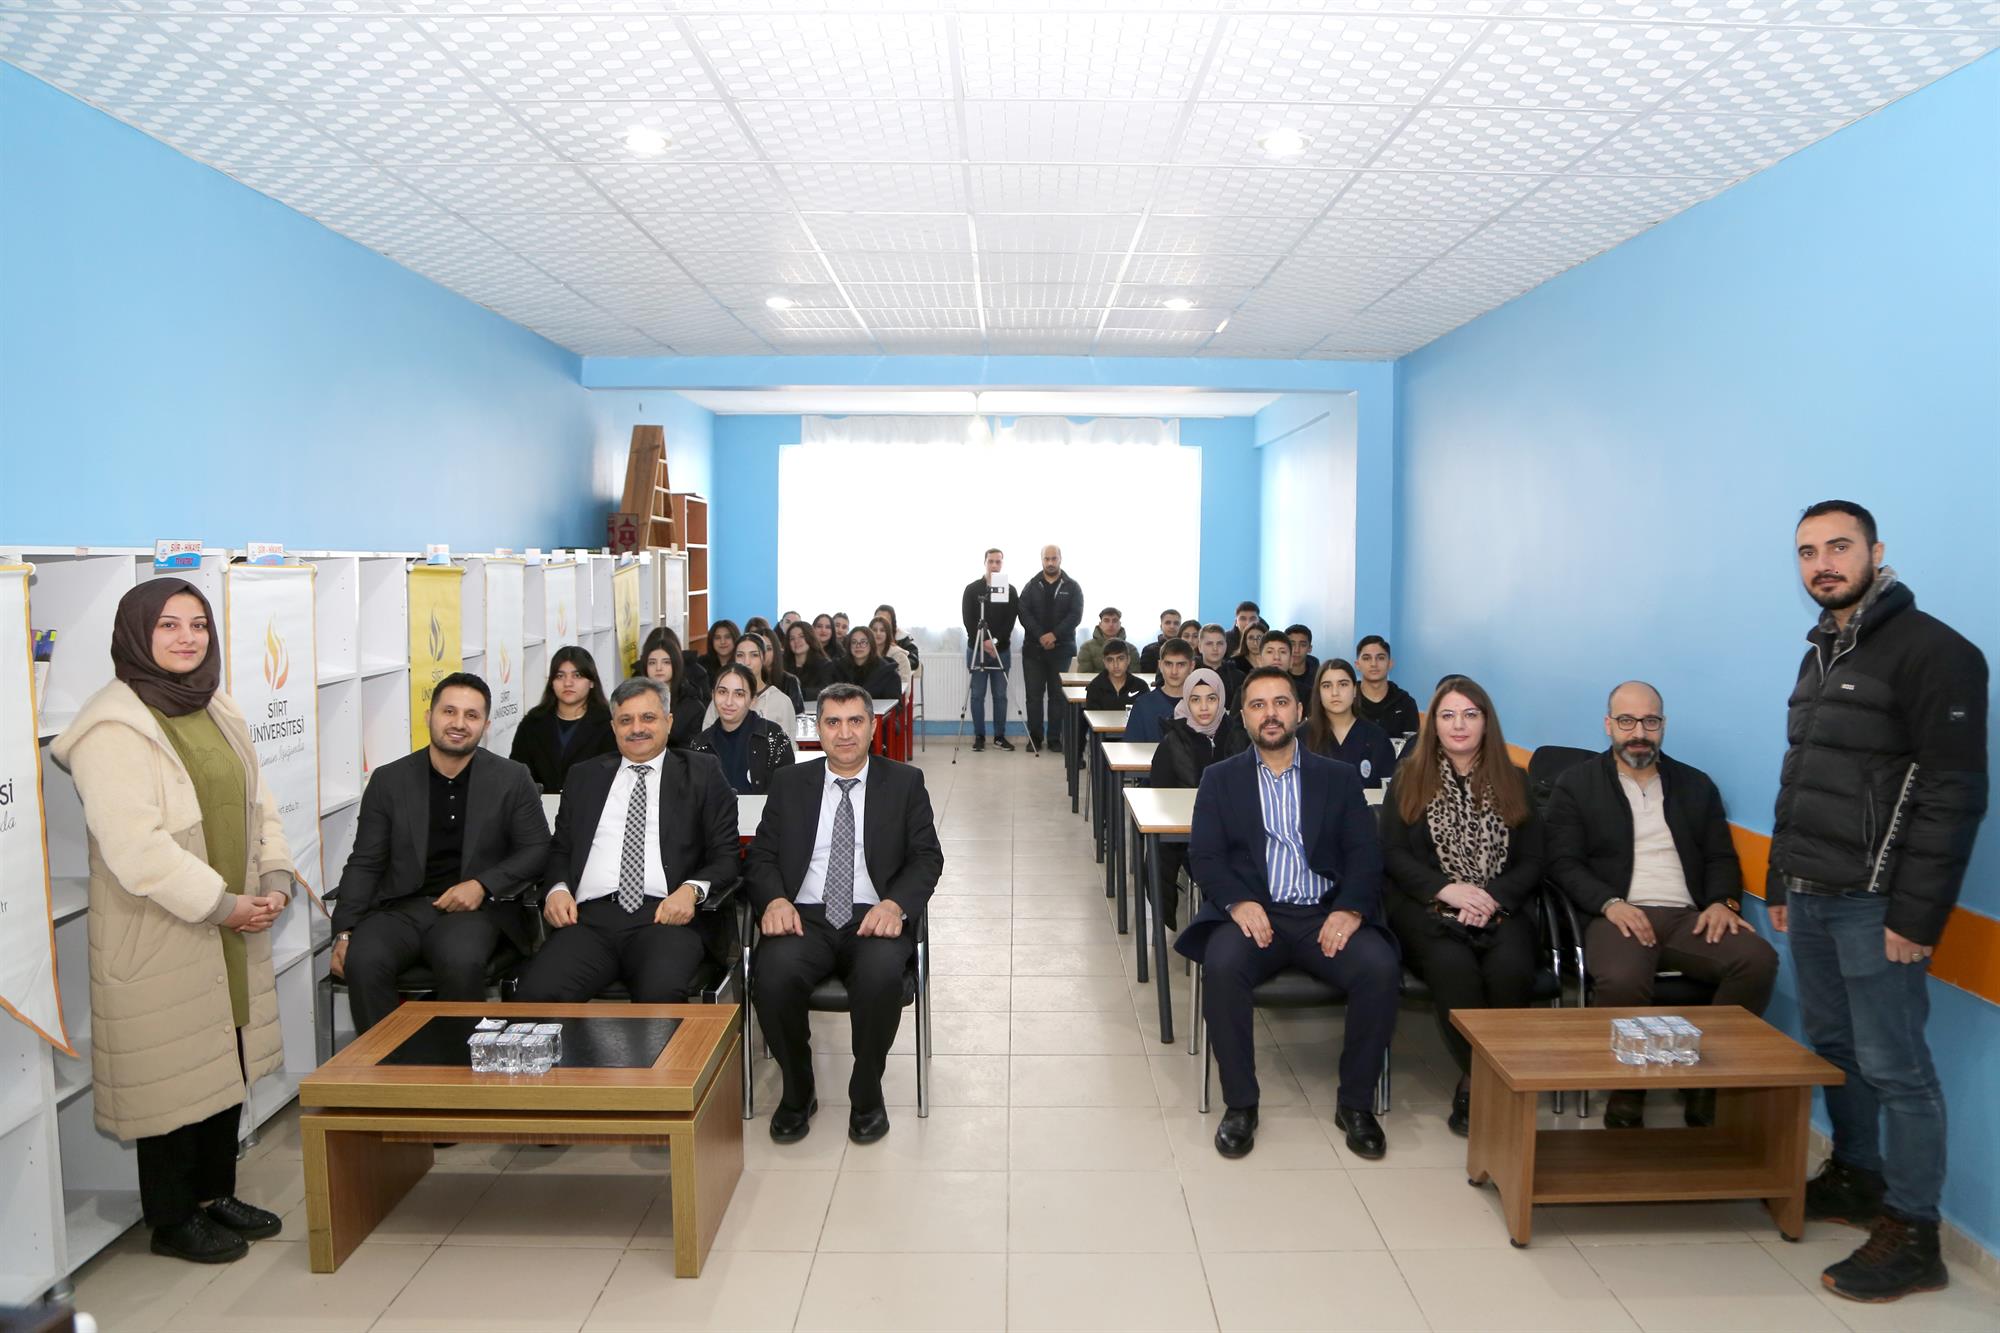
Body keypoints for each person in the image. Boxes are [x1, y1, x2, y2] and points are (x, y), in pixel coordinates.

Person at [1766, 501, 1988, 1303]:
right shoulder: (1821, 651)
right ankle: (1858, 1174)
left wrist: (1915, 916)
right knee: (1836, 1044)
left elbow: (1953, 795)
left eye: (1838, 547)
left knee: (1899, 1067)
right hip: (1811, 893)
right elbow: (1802, 772)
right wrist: (1779, 877)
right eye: (1807, 552)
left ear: (1875, 551)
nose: (1822, 563)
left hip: (1876, 902)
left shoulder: (1936, 653)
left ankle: (1915, 1230)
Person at [50, 579, 298, 1264]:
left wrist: (274, 877)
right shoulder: (112, 726)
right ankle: (171, 1218)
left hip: (233, 918)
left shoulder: (215, 703)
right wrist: (223, 903)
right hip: (163, 927)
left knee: (225, 1059)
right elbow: (136, 847)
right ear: (137, 633)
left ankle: (215, 1193)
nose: (187, 637)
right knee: (169, 1076)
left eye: (198, 624)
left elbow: (260, 803)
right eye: (168, 624)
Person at [1174, 667, 1398, 1161]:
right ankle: (1241, 1105)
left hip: (1324, 913)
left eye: (1280, 703)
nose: (1270, 714)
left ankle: (1355, 1104)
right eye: (1258, 705)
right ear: (1243, 716)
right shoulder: (1220, 779)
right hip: (1257, 913)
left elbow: (1365, 854)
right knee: (1222, 966)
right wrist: (1238, 902)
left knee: (1380, 967)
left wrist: (1350, 909)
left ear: (1299, 711)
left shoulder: (1337, 778)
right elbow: (1205, 856)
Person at [1545, 681, 1778, 1129]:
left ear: (1663, 725)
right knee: (1622, 978)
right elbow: (1562, 862)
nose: (1639, 733)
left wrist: (1723, 904)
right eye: (1627, 721)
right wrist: (1609, 903)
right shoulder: (1577, 784)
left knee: (1757, 960)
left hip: (1689, 917)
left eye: (1650, 722)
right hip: (1617, 914)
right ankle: (1628, 1093)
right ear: (1608, 724)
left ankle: (1706, 1082)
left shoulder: (1695, 785)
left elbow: (1720, 856)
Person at [748, 684, 945, 1145]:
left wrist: (895, 905)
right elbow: (760, 857)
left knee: (880, 977)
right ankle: (798, 1090)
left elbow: (926, 858)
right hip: (804, 915)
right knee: (771, 976)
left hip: (874, 914)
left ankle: (867, 1092)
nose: (844, 733)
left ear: (872, 726)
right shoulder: (790, 783)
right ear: (818, 729)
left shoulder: (904, 783)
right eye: (833, 722)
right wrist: (774, 900)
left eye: (855, 721)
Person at [330, 673, 552, 1032]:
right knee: (363, 959)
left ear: (486, 726)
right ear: (429, 716)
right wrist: (344, 931)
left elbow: (537, 848)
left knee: (460, 960)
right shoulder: (389, 781)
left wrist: (482, 885)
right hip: (400, 908)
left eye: (471, 715)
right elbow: (365, 861)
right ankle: (387, 1061)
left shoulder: (512, 778)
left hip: (475, 912)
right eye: (449, 711)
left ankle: (456, 1062)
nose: (459, 723)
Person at [1380, 676, 1543, 1138]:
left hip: (1499, 905)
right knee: (1455, 968)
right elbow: (1392, 853)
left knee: (1511, 968)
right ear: (1433, 724)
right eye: (1448, 715)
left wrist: (1492, 897)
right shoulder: (1409, 777)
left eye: (1470, 715)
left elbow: (1534, 859)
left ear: (1486, 722)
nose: (1458, 725)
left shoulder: (1515, 781)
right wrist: (1446, 889)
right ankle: (1481, 1078)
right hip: (1428, 908)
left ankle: (1489, 1079)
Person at [514, 678, 741, 1003]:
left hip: (665, 918)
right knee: (536, 994)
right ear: (613, 727)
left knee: (659, 996)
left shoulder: (702, 773)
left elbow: (726, 856)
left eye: (648, 718)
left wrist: (691, 891)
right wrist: (558, 889)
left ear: (668, 721)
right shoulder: (584, 776)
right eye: (625, 720)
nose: (637, 729)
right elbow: (561, 849)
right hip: (589, 920)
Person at [1147, 667, 1246, 929]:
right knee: (1160, 856)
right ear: (1186, 701)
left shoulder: (1239, 736)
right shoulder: (1172, 742)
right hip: (1189, 836)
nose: (1204, 707)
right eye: (1195, 699)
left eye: (1211, 699)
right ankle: (1169, 922)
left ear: (1222, 699)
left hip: (1235, 832)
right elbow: (1159, 798)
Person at [509, 646, 617, 796]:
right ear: (551, 683)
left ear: (592, 682)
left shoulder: (608, 724)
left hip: (591, 803)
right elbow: (517, 775)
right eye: (560, 676)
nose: (568, 683)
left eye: (577, 675)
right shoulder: (532, 723)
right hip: (539, 805)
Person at [690, 664, 797, 795]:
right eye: (722, 692)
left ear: (753, 700)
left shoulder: (773, 736)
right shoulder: (700, 744)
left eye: (739, 694)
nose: (729, 702)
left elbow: (786, 790)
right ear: (713, 695)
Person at [1018, 543, 1083, 757]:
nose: (1050, 562)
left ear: (1060, 559)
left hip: (1061, 650)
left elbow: (1075, 616)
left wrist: (1054, 635)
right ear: (1042, 560)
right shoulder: (1031, 586)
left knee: (1057, 696)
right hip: (1033, 651)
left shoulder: (1072, 587)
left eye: (1054, 558)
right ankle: (1035, 738)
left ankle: (1055, 738)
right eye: (1047, 559)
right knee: (1033, 697)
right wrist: (1041, 636)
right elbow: (1023, 613)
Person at [1303, 659, 1397, 790]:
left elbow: (1390, 792)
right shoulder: (1301, 736)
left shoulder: (1377, 738)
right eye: (1327, 686)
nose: (1335, 692)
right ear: (1318, 692)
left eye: (1343, 684)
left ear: (1354, 690)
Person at [961, 547, 1019, 753]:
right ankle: (979, 737)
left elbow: (1010, 621)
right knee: (977, 695)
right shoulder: (972, 589)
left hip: (1000, 650)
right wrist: (984, 642)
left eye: (998, 562)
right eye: (991, 561)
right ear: (985, 563)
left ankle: (999, 737)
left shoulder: (1010, 590)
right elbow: (968, 620)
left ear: (1002, 564)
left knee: (1000, 695)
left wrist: (994, 642)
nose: (994, 565)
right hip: (977, 648)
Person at [702, 636, 799, 738]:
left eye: (754, 655)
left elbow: (788, 743)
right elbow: (706, 738)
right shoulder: (722, 700)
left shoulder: (781, 701)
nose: (746, 662)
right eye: (740, 655)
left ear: (764, 658)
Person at [639, 627, 707, 748]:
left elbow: (692, 752)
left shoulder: (693, 707)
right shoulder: (635, 701)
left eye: (666, 662)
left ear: (676, 664)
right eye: (652, 663)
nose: (658, 668)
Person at [1124, 637, 1193, 743]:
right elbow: (1132, 747)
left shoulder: (1201, 705)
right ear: (1160, 665)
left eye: (1181, 665)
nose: (1174, 671)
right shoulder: (1143, 705)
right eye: (1168, 664)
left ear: (1192, 666)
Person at [1353, 636, 1421, 740]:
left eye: (1380, 658)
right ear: (1357, 665)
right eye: (1367, 658)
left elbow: (1413, 746)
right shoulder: (1348, 700)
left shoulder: (1405, 703)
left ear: (1390, 663)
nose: (1374, 664)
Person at [744, 627, 806, 713]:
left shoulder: (790, 681)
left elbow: (797, 714)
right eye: (758, 649)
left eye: (768, 649)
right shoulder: (742, 680)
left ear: (776, 651)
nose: (764, 653)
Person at [833, 625, 903, 701]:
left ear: (871, 644)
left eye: (863, 642)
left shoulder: (888, 673)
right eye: (854, 642)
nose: (858, 646)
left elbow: (895, 705)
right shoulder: (838, 669)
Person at [1083, 638, 1149, 711]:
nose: (1116, 665)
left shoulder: (1141, 687)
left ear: (1128, 660)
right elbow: (1092, 716)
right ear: (1105, 663)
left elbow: (1147, 714)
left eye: (1120, 659)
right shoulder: (1095, 687)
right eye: (1110, 660)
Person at [783, 620, 835, 697]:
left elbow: (824, 690)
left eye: (801, 636)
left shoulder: (825, 665)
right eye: (792, 638)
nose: (796, 641)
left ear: (810, 638)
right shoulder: (782, 664)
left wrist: (797, 693)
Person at [1073, 607, 1125, 674]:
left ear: (1120, 624)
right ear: (1100, 624)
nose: (1111, 624)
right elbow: (1084, 675)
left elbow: (1134, 676)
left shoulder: (1131, 649)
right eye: (1106, 621)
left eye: (1115, 621)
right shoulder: (1087, 647)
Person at [873, 603, 920, 674]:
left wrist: (894, 660)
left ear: (892, 623)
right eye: (878, 619)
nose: (881, 623)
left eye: (885, 620)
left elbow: (914, 661)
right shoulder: (867, 638)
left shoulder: (902, 637)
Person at [871, 616, 913, 689]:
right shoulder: (865, 655)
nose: (878, 633)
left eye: (882, 630)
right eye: (874, 630)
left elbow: (904, 686)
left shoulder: (900, 656)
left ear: (887, 633)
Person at [1138, 608, 1182, 673]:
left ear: (1180, 626)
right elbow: (1146, 675)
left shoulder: (1186, 649)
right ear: (1161, 626)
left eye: (1176, 623)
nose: (1172, 626)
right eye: (1168, 623)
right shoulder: (1149, 650)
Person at [1285, 624, 1319, 695]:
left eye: (1302, 645)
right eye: (1292, 644)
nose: (1296, 650)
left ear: (1309, 648)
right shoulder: (1276, 675)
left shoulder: (1319, 677)